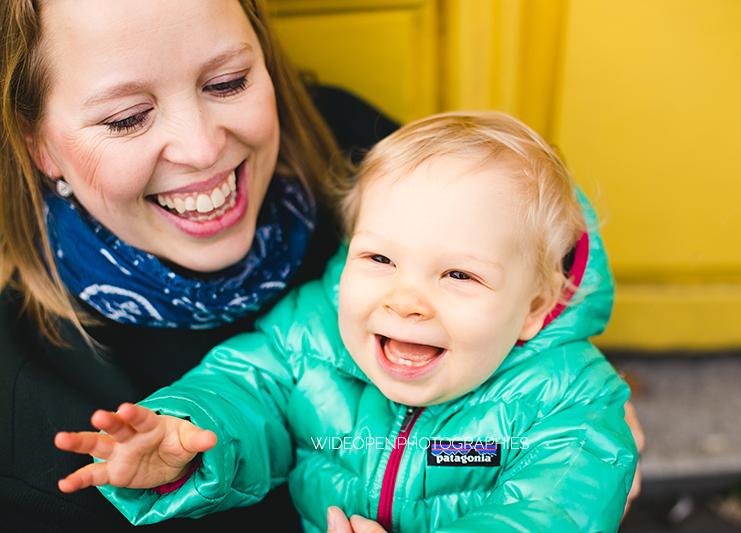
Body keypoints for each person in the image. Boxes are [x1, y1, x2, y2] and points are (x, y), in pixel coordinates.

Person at [55, 111, 639, 533]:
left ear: (534, 308)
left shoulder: (572, 402)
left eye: (459, 275)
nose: (407, 300)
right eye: (380, 259)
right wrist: (190, 440)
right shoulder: (312, 333)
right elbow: (250, 388)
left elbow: (553, 514)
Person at [0, 0, 400, 530]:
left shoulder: (368, 154)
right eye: (127, 119)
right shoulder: (31, 414)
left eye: (229, 82)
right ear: (40, 148)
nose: (201, 148)